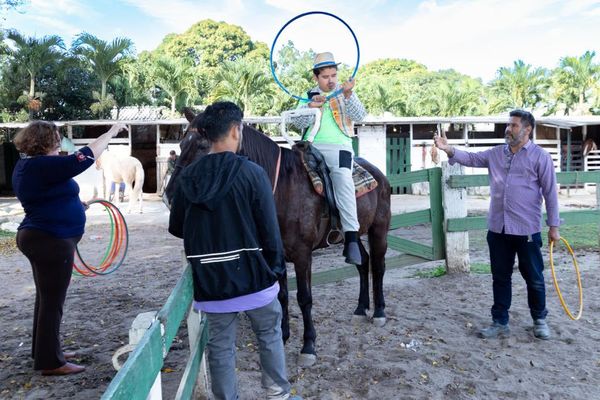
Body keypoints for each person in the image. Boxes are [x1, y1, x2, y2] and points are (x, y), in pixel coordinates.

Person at [168, 102, 299, 400]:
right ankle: (278, 394)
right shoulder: (253, 173)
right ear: (236, 130)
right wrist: (276, 272)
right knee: (268, 335)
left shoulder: (188, 178)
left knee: (221, 348)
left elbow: (177, 229)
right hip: (255, 277)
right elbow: (270, 232)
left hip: (211, 284)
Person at [12, 121, 127, 375]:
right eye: (56, 136)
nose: (59, 139)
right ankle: (51, 362)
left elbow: (48, 196)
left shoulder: (31, 166)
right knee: (52, 301)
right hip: (50, 240)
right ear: (46, 140)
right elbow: (85, 157)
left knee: (46, 299)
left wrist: (75, 205)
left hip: (41, 237)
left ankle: (44, 351)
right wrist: (110, 133)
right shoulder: (43, 165)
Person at [433, 109, 560, 340]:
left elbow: (550, 193)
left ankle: (539, 319)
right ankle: (500, 321)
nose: (508, 129)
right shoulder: (496, 153)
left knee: (534, 276)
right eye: (508, 125)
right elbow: (471, 158)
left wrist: (554, 226)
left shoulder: (541, 157)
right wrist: (448, 149)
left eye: (513, 125)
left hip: (527, 229)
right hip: (498, 229)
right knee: (500, 277)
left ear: (527, 129)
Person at [290, 52, 367, 266]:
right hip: (309, 146)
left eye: (333, 75)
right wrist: (310, 108)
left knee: (342, 177)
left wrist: (349, 94)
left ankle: (351, 237)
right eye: (325, 76)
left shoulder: (345, 94)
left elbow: (360, 116)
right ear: (316, 78)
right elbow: (296, 123)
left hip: (339, 146)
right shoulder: (307, 97)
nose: (331, 80)